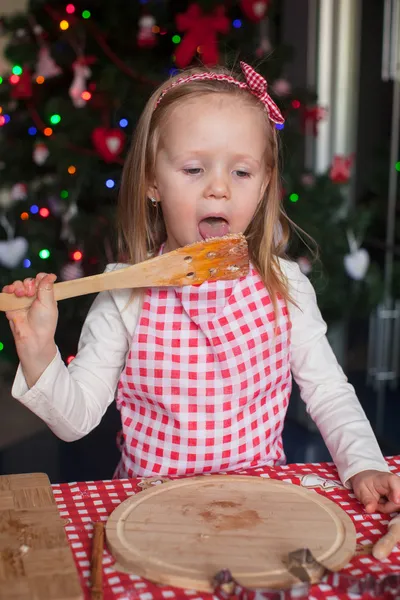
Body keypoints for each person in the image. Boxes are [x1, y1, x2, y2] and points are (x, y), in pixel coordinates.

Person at [4, 62, 400, 514]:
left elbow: (328, 391)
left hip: (257, 508)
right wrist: (38, 352)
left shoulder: (284, 286)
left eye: (242, 173)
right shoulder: (124, 296)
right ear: (153, 182)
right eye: (194, 169)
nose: (218, 189)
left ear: (265, 184)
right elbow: (74, 421)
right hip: (149, 513)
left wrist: (364, 464)